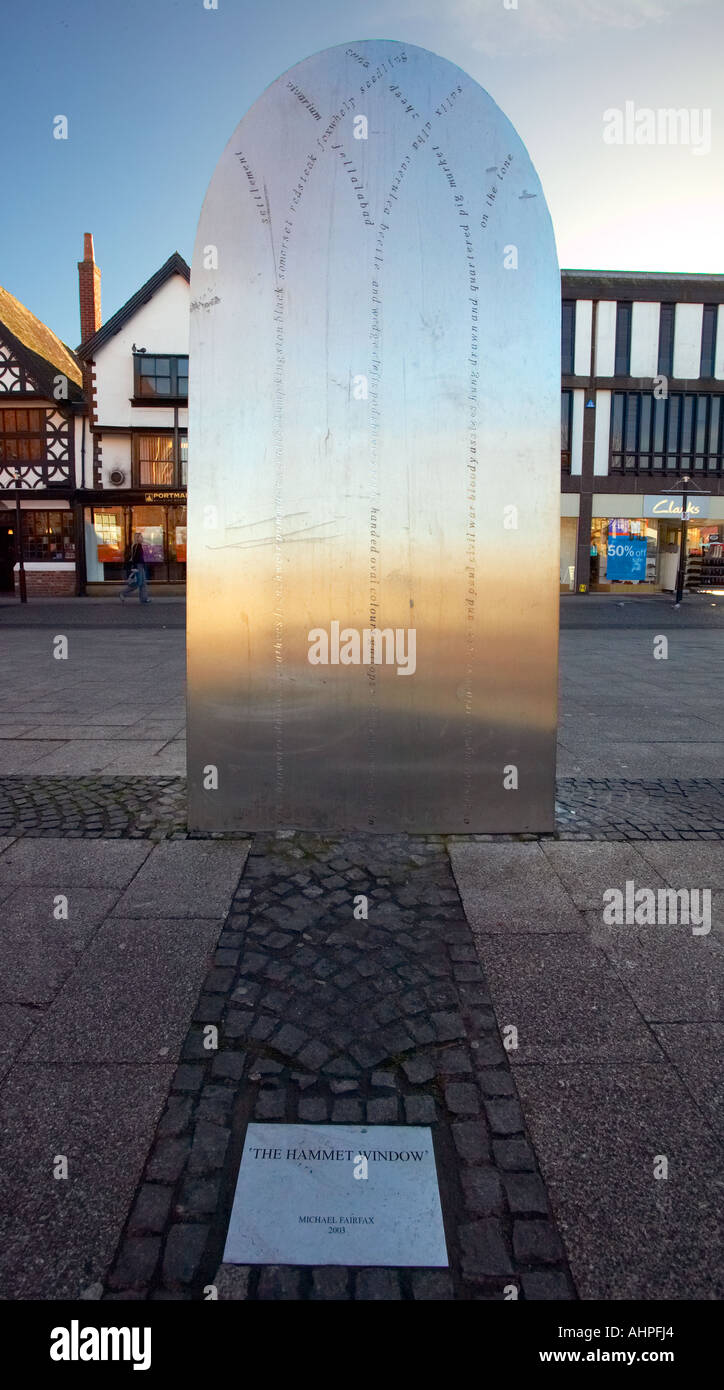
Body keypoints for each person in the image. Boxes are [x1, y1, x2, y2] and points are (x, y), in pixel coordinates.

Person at [119, 533, 151, 603]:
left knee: (143, 583)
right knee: (138, 583)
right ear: (137, 538)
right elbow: (135, 558)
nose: (142, 538)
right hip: (138, 566)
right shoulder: (137, 546)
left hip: (140, 565)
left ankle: (144, 599)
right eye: (141, 537)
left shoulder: (136, 546)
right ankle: (123, 593)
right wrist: (136, 567)